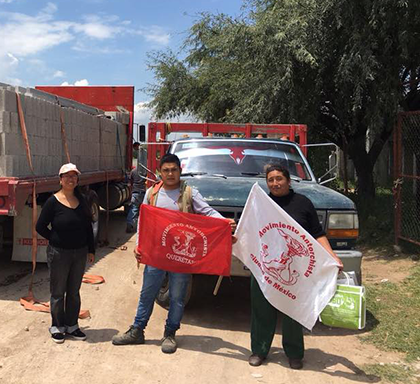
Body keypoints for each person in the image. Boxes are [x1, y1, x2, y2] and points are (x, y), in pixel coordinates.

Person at [112, 153, 236, 354]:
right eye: (166, 170)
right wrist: (139, 244)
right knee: (147, 293)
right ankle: (137, 330)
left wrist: (224, 223)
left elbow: (208, 212)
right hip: (156, 253)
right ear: (160, 172)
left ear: (180, 171)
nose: (170, 174)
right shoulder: (152, 193)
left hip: (181, 256)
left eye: (174, 170)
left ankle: (170, 333)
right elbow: (144, 220)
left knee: (177, 297)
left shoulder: (189, 193)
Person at [248, 164, 343, 369]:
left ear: (288, 181)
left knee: (293, 310)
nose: (275, 183)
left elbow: (318, 234)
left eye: (279, 179)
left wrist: (332, 256)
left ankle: (294, 353)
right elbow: (248, 230)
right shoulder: (261, 204)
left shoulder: (302, 203)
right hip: (265, 267)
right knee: (262, 310)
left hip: (295, 269)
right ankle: (259, 350)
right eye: (270, 180)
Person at [36, 163, 96, 344]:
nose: (71, 179)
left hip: (79, 253)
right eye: (67, 176)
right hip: (59, 254)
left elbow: (88, 227)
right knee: (57, 292)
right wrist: (54, 239)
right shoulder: (52, 202)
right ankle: (57, 326)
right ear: (60, 179)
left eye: (74, 176)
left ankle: (72, 325)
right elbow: (40, 226)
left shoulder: (82, 200)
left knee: (73, 291)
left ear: (77, 180)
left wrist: (91, 250)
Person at [126, 164, 146, 233]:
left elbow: (129, 182)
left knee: (134, 209)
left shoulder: (133, 171)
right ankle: (144, 226)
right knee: (144, 210)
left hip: (135, 193)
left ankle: (130, 223)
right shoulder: (145, 171)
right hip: (143, 193)